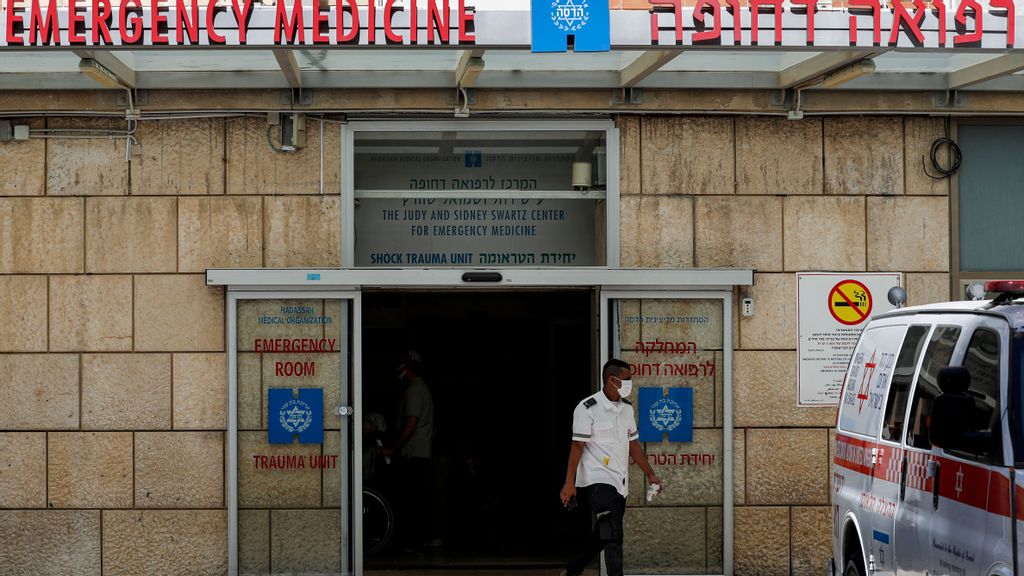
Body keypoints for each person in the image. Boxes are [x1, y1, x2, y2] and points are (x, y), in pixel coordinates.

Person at [559, 359, 662, 576]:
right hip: (597, 481)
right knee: (614, 535)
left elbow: (633, 445)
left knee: (603, 534)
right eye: (627, 379)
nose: (630, 383)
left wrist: (650, 474)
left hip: (619, 482)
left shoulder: (626, 409)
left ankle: (572, 570)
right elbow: (577, 446)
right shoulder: (587, 408)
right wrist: (569, 483)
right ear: (612, 380)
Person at [379, 350, 435, 550]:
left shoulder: (414, 390)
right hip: (419, 452)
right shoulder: (420, 389)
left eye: (401, 365)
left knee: (411, 500)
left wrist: (392, 449)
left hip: (413, 454)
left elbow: (411, 425)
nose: (398, 368)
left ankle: (413, 542)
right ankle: (418, 540)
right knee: (417, 499)